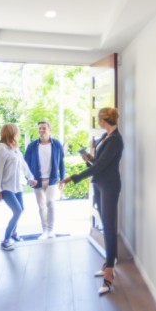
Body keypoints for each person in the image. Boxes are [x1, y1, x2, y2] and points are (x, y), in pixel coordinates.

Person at [61, 107, 123, 294]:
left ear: (104, 120)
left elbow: (100, 167)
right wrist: (88, 157)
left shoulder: (115, 140)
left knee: (110, 227)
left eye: (99, 120)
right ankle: (108, 262)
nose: (98, 122)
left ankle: (110, 272)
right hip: (100, 185)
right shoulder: (106, 137)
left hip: (109, 186)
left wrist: (73, 178)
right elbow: (98, 164)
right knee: (106, 225)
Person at [0, 123, 37, 251]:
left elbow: (23, 164)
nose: (18, 133)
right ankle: (6, 240)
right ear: (11, 132)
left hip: (17, 186)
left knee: (21, 209)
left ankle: (13, 233)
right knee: (17, 211)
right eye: (16, 131)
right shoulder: (2, 149)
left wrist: (30, 178)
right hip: (6, 187)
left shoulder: (15, 148)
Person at [24, 121, 66, 239]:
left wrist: (62, 178)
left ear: (49, 130)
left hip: (52, 179)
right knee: (41, 206)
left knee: (50, 203)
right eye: (39, 128)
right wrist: (28, 179)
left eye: (43, 128)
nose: (41, 130)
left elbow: (61, 162)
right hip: (37, 180)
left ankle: (51, 230)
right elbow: (25, 164)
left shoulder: (56, 144)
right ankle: (45, 231)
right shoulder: (32, 146)